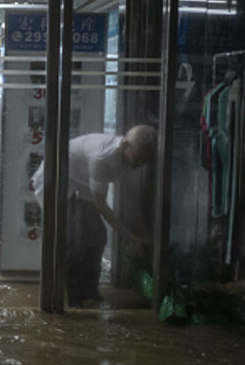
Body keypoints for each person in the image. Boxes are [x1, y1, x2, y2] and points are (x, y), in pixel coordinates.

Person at [31, 125, 157, 307]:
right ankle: (74, 300)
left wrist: (138, 232)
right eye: (137, 158)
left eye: (144, 161)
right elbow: (101, 204)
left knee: (97, 238)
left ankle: (90, 293)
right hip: (57, 182)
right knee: (75, 242)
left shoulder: (128, 156)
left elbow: (129, 198)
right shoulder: (102, 158)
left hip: (81, 185)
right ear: (125, 146)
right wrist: (128, 236)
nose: (138, 164)